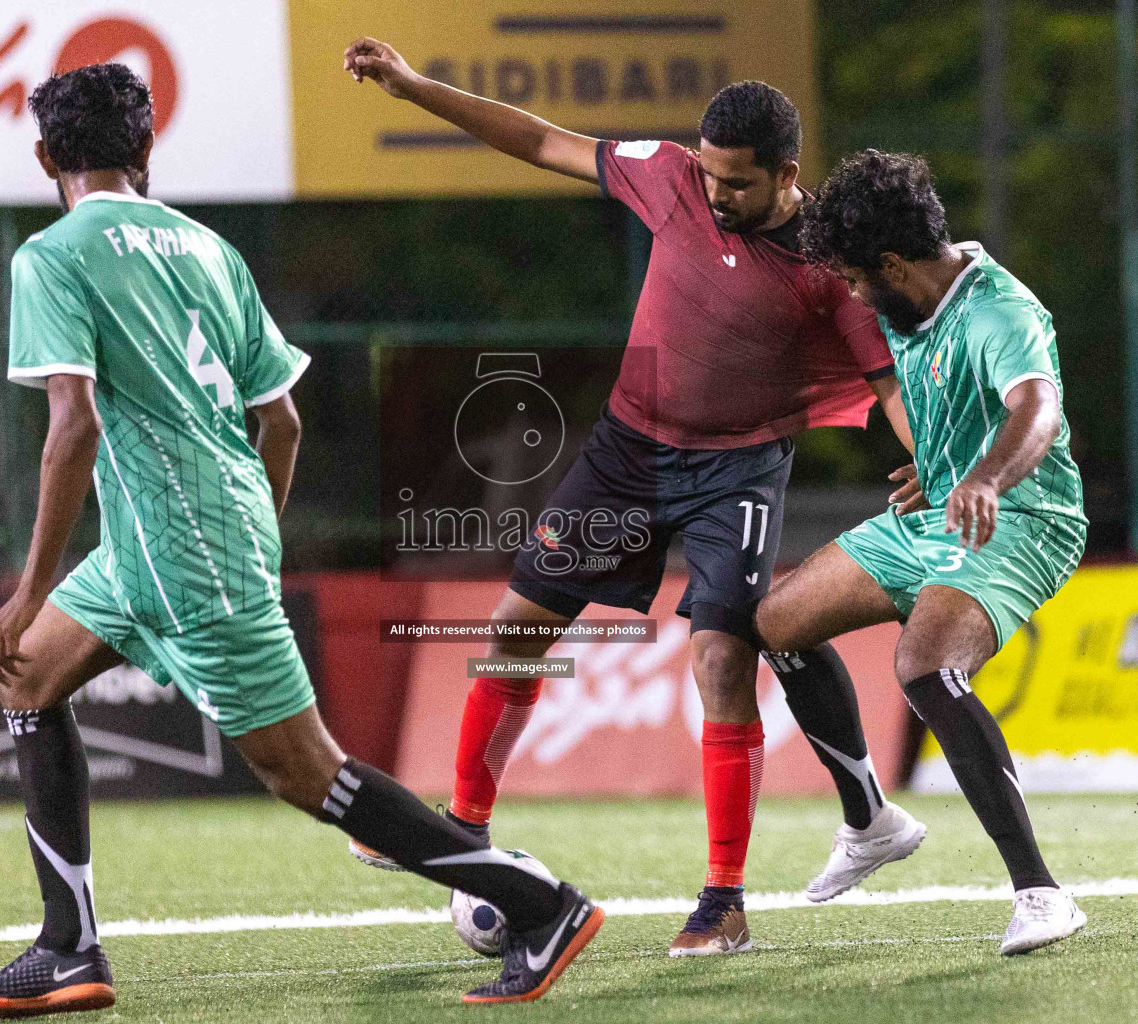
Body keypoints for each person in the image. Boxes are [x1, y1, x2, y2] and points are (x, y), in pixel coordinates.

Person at [0, 64, 603, 1018]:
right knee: (27, 679)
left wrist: (24, 587)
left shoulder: (51, 254)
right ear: (146, 152)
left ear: (46, 157)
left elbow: (74, 425)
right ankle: (68, 948)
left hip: (179, 544)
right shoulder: (209, 248)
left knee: (304, 772)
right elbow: (283, 421)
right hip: (173, 539)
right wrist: (249, 525)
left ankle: (538, 903)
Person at [342, 37, 928, 955]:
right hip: (627, 452)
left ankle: (723, 901)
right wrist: (416, 89)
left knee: (722, 662)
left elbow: (890, 383)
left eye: (736, 183)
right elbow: (541, 142)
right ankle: (463, 826)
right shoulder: (670, 175)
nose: (715, 193)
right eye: (708, 173)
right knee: (514, 632)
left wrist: (934, 456)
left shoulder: (829, 266)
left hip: (737, 469)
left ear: (787, 173)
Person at [754, 150, 1089, 955]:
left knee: (925, 668)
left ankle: (1042, 895)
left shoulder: (1000, 310)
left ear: (895, 264)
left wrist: (982, 477)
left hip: (1023, 516)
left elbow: (1036, 410)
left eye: (863, 280)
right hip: (934, 513)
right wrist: (937, 471)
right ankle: (870, 820)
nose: (858, 296)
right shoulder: (912, 303)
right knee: (772, 623)